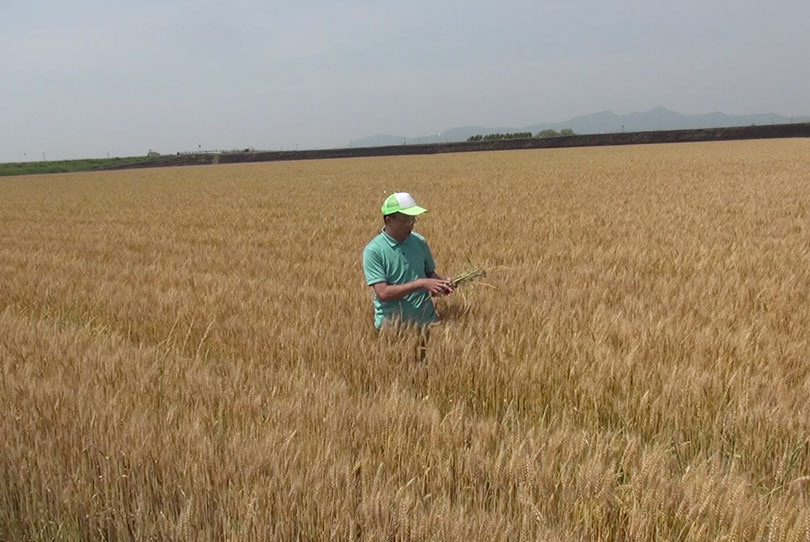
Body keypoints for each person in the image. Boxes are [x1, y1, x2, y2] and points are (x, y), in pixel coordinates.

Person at [362, 192, 454, 332]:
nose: (411, 225)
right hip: (393, 329)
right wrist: (421, 284)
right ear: (388, 220)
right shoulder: (374, 251)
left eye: (413, 219)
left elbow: (429, 273)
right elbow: (383, 293)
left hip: (427, 324)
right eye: (406, 220)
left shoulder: (419, 242)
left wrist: (440, 284)